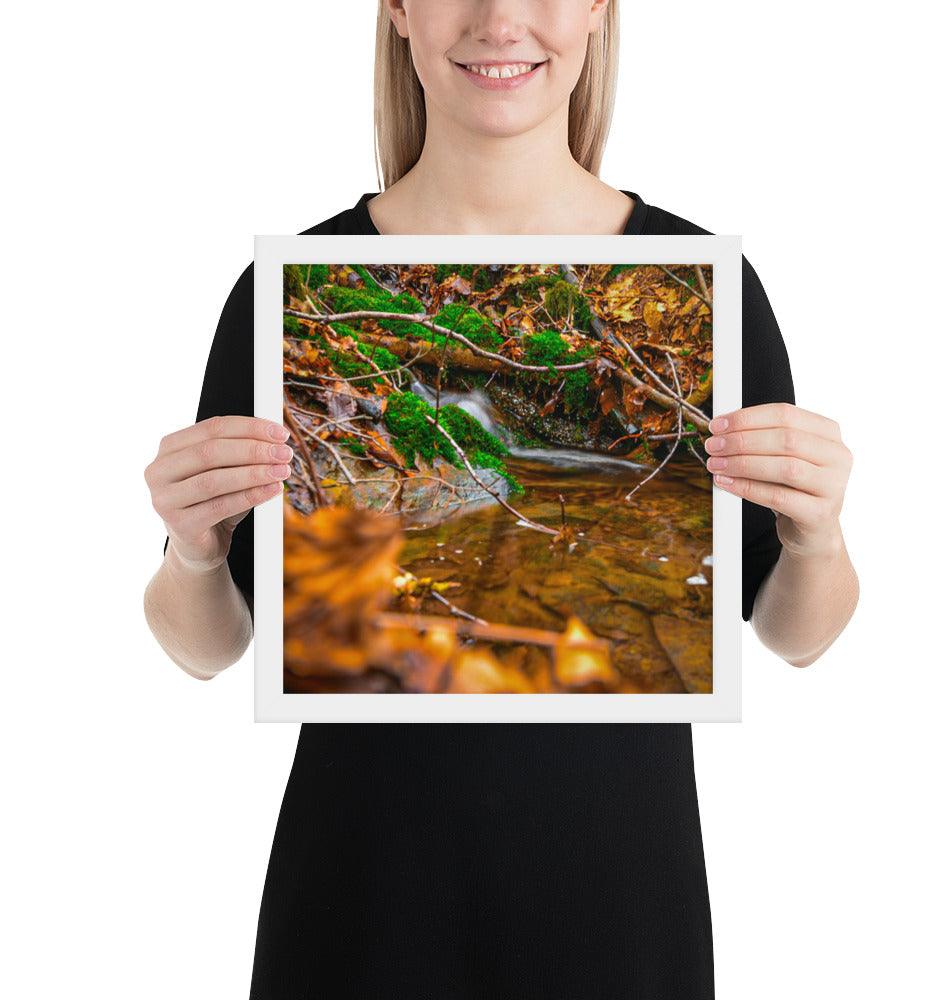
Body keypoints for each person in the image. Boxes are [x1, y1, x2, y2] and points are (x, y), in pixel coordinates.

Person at [143, 2, 859, 996]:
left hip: (620, 914)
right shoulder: (288, 290)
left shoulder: (709, 288)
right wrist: (190, 549)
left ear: (601, 9)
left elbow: (795, 634)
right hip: (360, 915)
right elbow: (209, 646)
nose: (500, 18)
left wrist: (816, 535)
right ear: (397, 10)